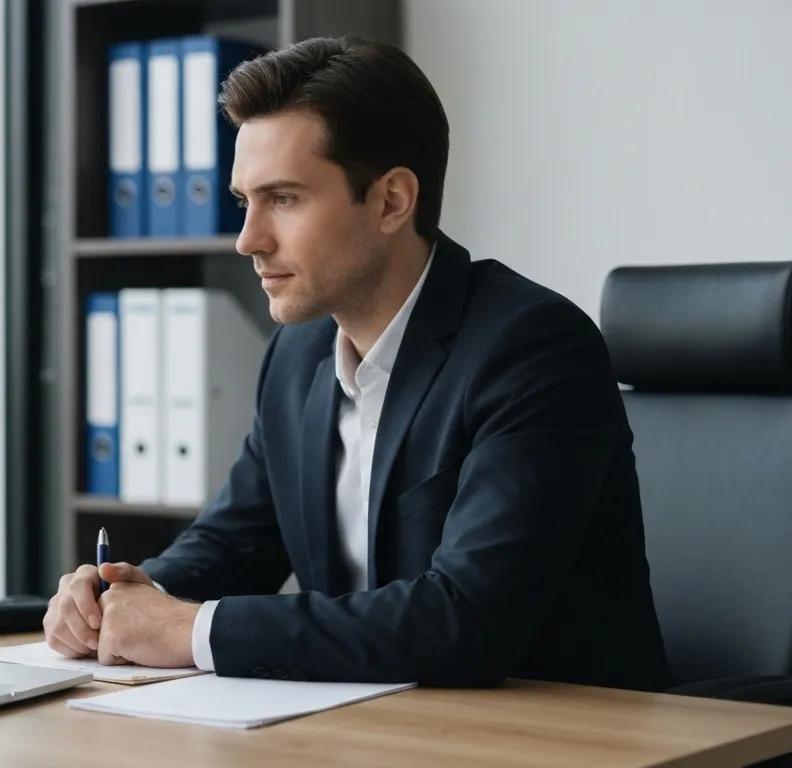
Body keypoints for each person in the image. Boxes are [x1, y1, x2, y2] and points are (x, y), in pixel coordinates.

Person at [44, 36, 671, 691]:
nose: (248, 239)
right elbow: (235, 543)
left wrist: (190, 632)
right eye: (243, 201)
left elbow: (465, 620)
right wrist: (118, 598)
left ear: (391, 201)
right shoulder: (298, 357)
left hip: (560, 738)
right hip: (374, 726)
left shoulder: (531, 350)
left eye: (283, 199)